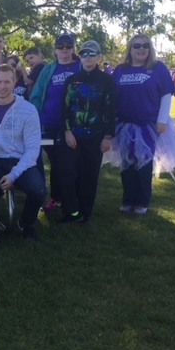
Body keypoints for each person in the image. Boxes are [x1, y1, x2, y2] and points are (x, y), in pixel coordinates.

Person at [105, 34, 175, 214]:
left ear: (150, 49)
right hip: (123, 123)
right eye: (137, 46)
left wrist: (162, 120)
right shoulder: (121, 70)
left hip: (148, 124)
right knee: (127, 163)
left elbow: (166, 95)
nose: (141, 49)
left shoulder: (157, 68)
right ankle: (128, 199)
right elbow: (110, 96)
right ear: (130, 49)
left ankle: (142, 201)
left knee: (143, 164)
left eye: (145, 46)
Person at [0, 64, 46, 253]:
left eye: (7, 82)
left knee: (38, 190)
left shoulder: (28, 109)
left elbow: (33, 150)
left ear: (14, 83)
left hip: (21, 159)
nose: (2, 86)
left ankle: (26, 222)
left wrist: (14, 175)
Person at [58, 40, 116, 224]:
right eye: (84, 54)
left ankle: (85, 213)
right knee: (68, 175)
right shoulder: (72, 80)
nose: (88, 57)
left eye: (92, 54)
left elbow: (110, 110)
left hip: (95, 137)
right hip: (72, 136)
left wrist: (108, 136)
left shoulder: (107, 80)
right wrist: (67, 131)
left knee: (89, 176)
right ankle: (71, 212)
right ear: (80, 57)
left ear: (99, 57)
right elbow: (65, 108)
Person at [29, 32, 82, 211]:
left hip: (73, 125)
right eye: (61, 46)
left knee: (69, 164)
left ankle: (72, 200)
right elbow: (37, 94)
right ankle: (57, 198)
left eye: (68, 46)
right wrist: (33, 117)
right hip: (50, 123)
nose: (64, 49)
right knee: (55, 162)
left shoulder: (81, 67)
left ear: (73, 48)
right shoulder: (49, 69)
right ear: (55, 50)